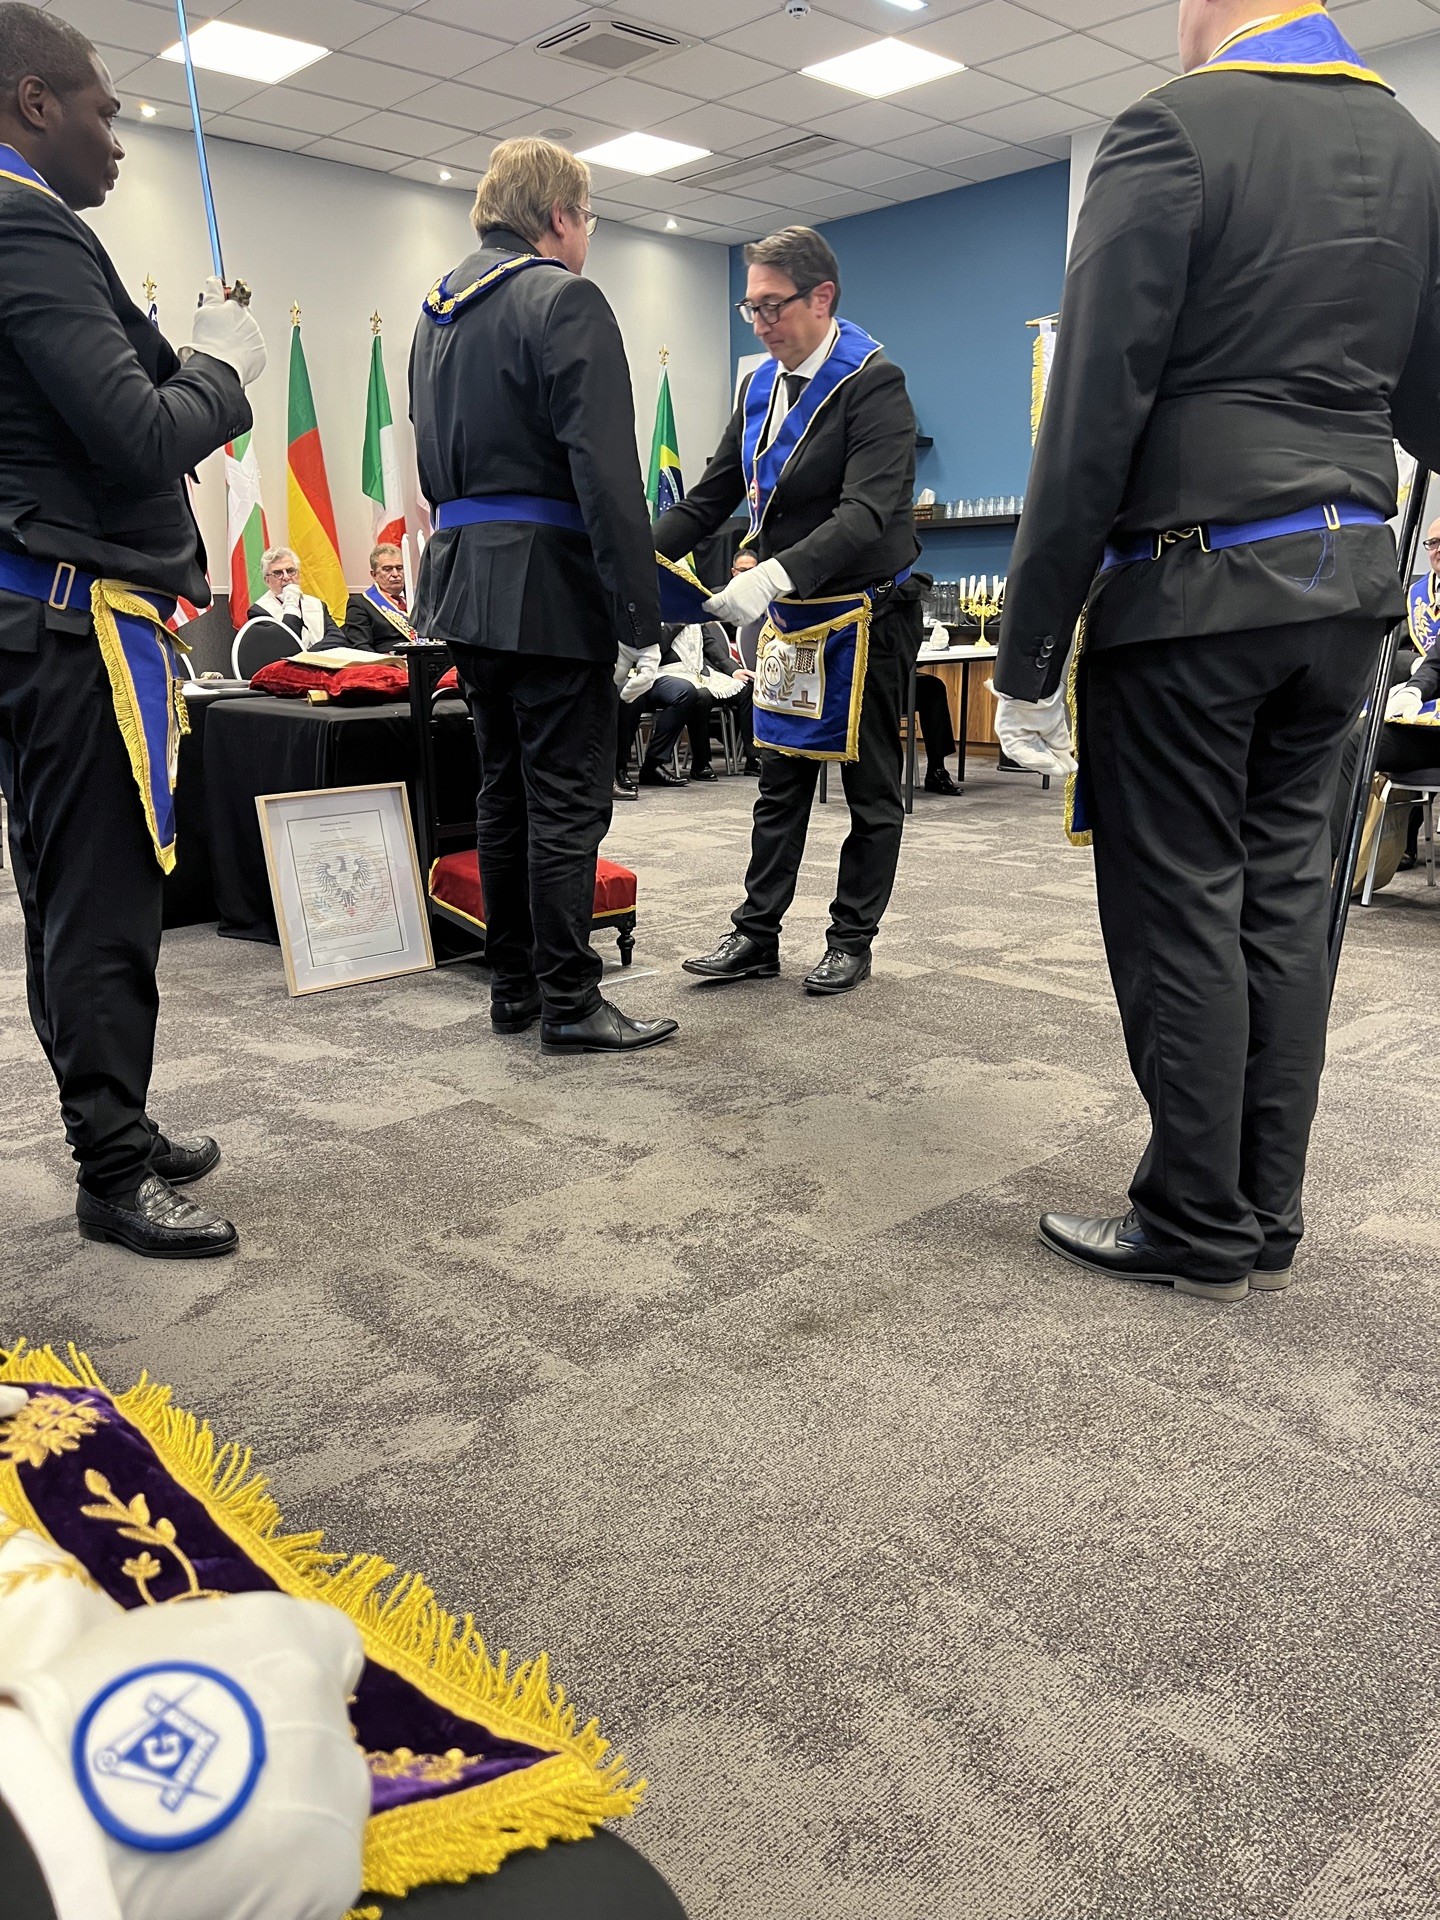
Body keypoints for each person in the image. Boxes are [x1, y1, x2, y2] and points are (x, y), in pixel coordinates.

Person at [993, 0, 1440, 1302]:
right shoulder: (1416, 153)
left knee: (1181, 900)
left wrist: (1029, 650)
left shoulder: (1170, 131)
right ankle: (1265, 1208)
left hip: (1193, 593)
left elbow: (1092, 407)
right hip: (1346, 593)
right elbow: (1430, 405)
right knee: (1290, 907)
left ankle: (1194, 1218)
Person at [0, 2, 265, 1258]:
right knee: (101, 905)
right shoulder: (25, 224)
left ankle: (113, 1120)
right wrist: (223, 370)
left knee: (68, 896)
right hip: (73, 628)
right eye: (104, 113)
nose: (117, 139)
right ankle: (112, 1168)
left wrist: (196, 353)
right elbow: (142, 434)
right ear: (34, 102)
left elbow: (120, 400)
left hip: (40, 617)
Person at [410, 137, 676, 1055]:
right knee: (566, 799)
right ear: (559, 217)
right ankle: (571, 1000)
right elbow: (606, 474)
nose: (588, 237)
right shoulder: (564, 298)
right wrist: (638, 617)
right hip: (550, 588)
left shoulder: (434, 315)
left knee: (502, 793)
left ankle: (514, 988)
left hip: (463, 583)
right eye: (588, 219)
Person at [655, 225, 923, 997]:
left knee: (871, 790)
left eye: (773, 306)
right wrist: (633, 556)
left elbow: (865, 513)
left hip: (867, 614)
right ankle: (756, 933)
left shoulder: (874, 383)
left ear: (822, 297)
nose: (762, 323)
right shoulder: (758, 391)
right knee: (780, 782)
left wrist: (771, 574)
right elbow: (708, 499)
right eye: (752, 309)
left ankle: (851, 939)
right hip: (795, 619)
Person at [247, 543, 344, 648]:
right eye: (278, 573)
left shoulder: (317, 604)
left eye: (290, 571)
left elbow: (338, 639)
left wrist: (309, 655)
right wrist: (291, 601)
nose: (286, 577)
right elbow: (286, 644)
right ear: (267, 580)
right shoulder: (259, 611)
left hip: (319, 658)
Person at [344, 540, 416, 649]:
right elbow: (361, 647)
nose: (395, 574)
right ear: (374, 575)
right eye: (387, 569)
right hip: (390, 657)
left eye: (399, 568)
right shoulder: (360, 604)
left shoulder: (418, 599)